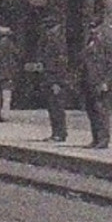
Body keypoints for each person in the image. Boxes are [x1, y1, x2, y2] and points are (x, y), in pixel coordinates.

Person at [35, 13, 70, 142]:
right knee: (52, 106)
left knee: (57, 106)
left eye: (49, 28)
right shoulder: (51, 40)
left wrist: (58, 82)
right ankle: (56, 132)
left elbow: (61, 62)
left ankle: (60, 133)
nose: (47, 31)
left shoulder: (57, 41)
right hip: (49, 77)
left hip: (55, 79)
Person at [79, 22, 112, 149]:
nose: (92, 31)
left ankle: (103, 139)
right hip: (89, 81)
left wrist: (106, 82)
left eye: (95, 28)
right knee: (91, 111)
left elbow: (110, 65)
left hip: (100, 82)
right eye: (91, 28)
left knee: (101, 111)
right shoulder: (89, 43)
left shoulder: (104, 44)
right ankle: (96, 138)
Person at [0, 26, 19, 122]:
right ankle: (4, 115)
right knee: (6, 94)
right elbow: (16, 55)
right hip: (7, 71)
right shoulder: (10, 45)